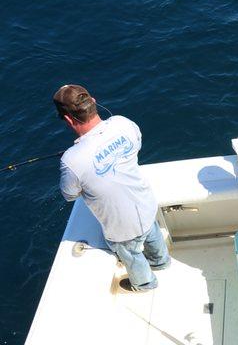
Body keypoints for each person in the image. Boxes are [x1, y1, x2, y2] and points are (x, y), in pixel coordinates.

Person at [54, 84, 170, 292]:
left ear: (69, 119)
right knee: (150, 230)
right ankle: (161, 262)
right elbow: (137, 145)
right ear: (93, 102)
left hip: (121, 226)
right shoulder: (122, 123)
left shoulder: (71, 160)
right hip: (145, 203)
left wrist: (76, 161)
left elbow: (70, 195)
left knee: (131, 253)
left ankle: (144, 284)